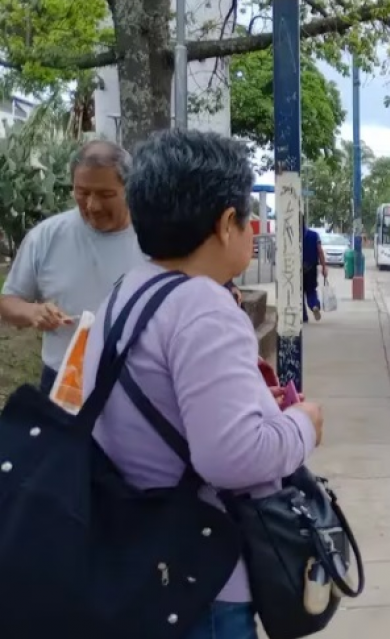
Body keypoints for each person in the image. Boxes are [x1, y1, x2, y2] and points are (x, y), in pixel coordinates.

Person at [81, 129, 324, 639]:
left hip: (138, 559)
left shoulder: (128, 291)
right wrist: (303, 424)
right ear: (225, 223)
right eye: (246, 218)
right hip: (202, 583)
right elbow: (231, 459)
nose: (253, 229)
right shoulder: (203, 307)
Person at [0, 140, 147, 392]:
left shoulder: (154, 238)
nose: (92, 205)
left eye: (105, 194)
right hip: (63, 380)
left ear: (130, 189)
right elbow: (9, 302)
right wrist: (34, 313)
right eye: (82, 192)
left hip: (133, 384)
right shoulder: (47, 236)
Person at [302, 222, 328, 322]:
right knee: (311, 291)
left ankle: (303, 317)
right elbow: (320, 251)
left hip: (297, 268)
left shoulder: (293, 235)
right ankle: (314, 305)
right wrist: (324, 266)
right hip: (311, 268)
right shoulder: (314, 235)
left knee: (299, 294)